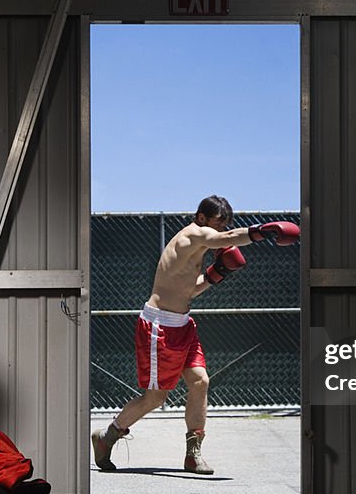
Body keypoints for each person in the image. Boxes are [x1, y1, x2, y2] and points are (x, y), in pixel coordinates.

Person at [91, 195, 299, 475]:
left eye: (223, 226)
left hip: (183, 325)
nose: (219, 232)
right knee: (155, 398)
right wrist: (261, 231)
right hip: (159, 327)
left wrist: (217, 274)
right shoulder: (194, 235)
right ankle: (108, 437)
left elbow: (189, 291)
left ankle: (193, 453)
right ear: (201, 218)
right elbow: (225, 238)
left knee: (200, 382)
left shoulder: (198, 246)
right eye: (217, 225)